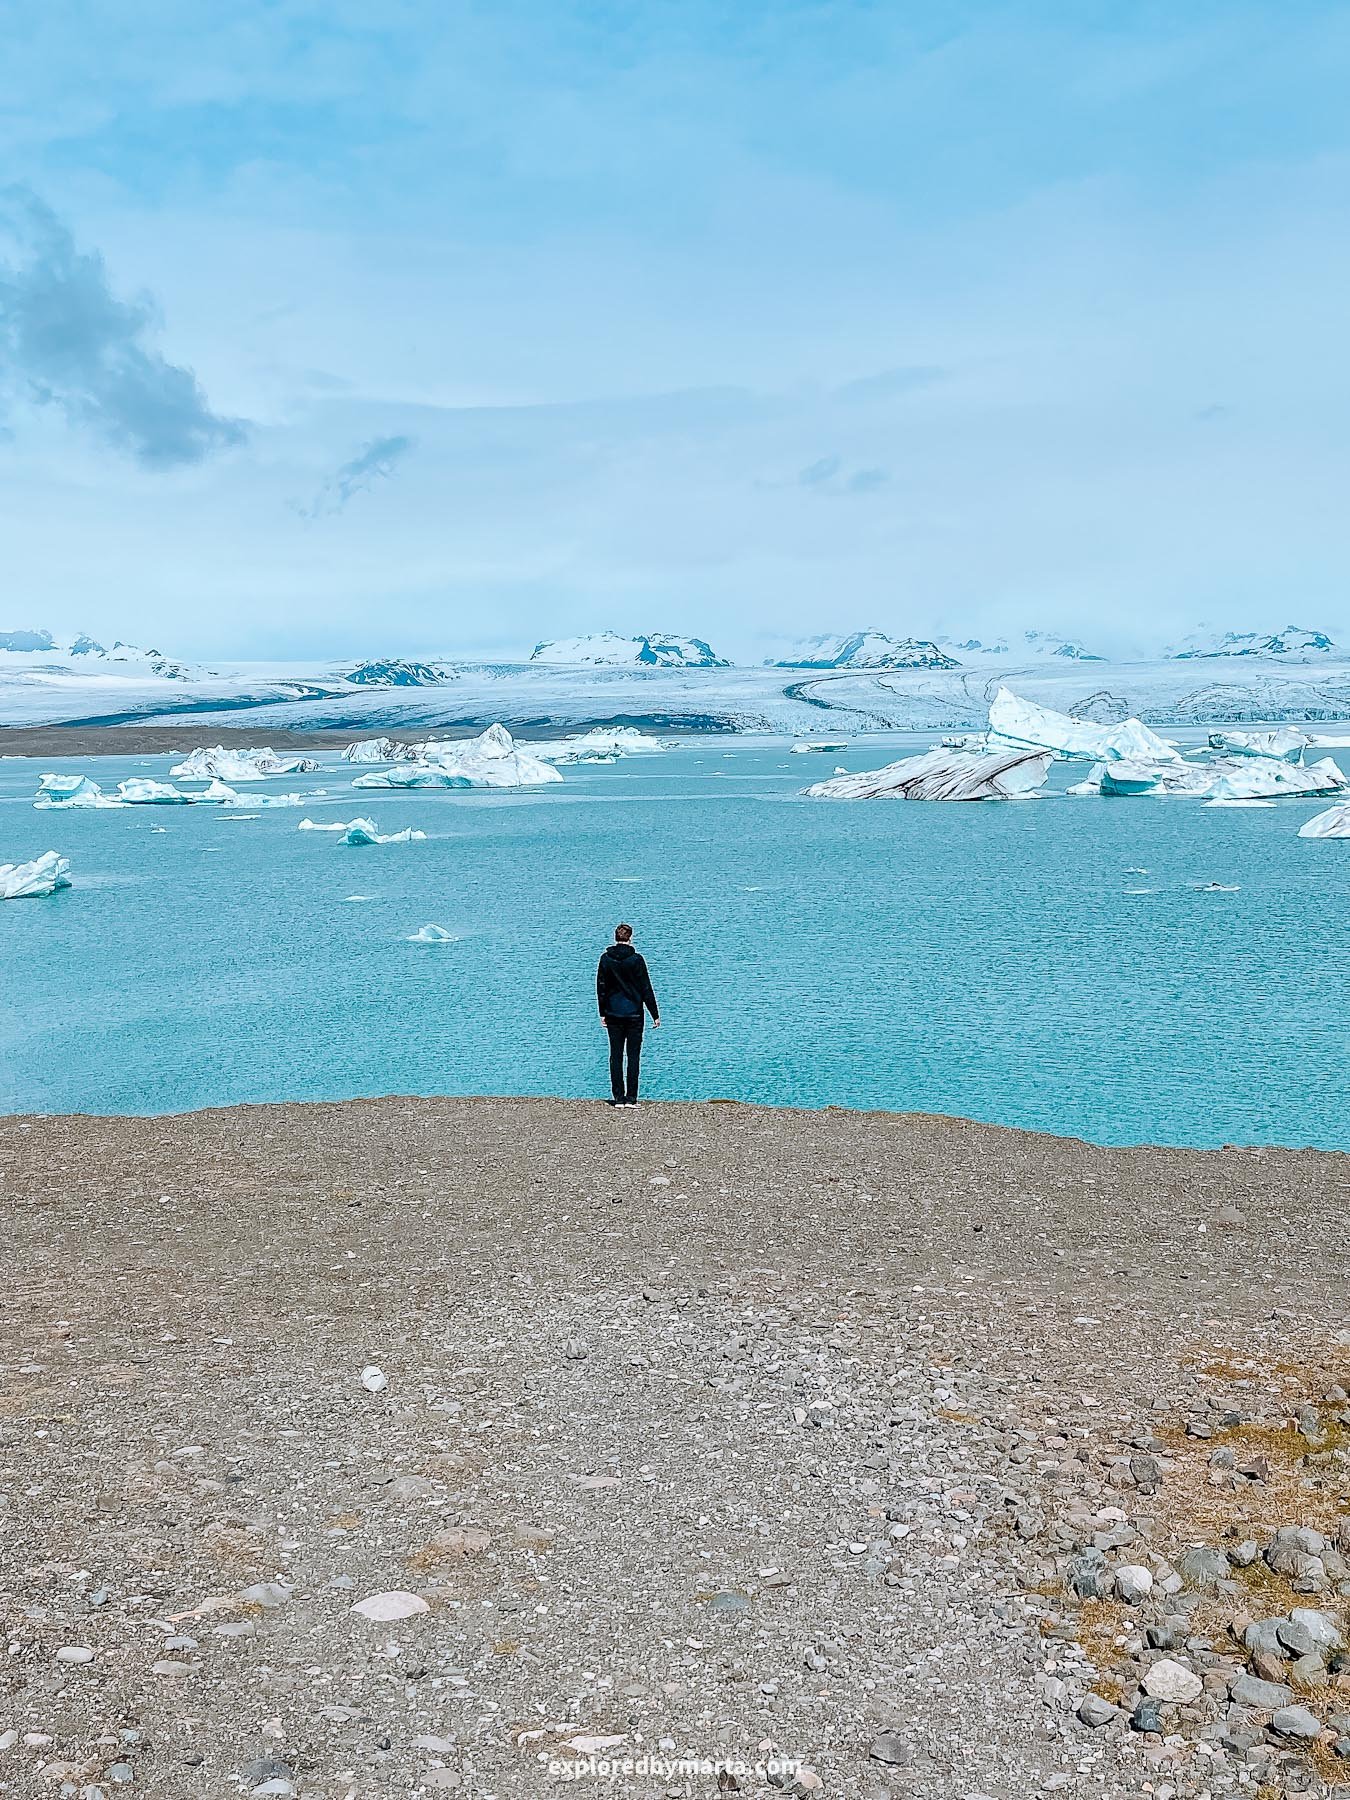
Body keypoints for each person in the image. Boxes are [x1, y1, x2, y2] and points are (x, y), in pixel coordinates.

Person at [596, 922, 660, 1105]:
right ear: (630, 938)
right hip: (634, 1013)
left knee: (615, 1055)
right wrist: (654, 1013)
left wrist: (602, 1012)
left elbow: (601, 987)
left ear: (616, 938)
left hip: (613, 1012)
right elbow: (645, 987)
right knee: (633, 1056)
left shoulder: (605, 959)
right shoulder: (637, 960)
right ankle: (631, 1097)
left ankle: (618, 1097)